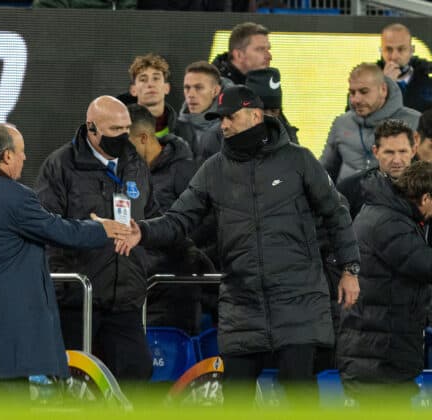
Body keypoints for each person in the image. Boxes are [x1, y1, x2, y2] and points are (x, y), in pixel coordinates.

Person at [116, 85, 360, 404]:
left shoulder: (298, 160)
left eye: (230, 117)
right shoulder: (214, 170)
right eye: (220, 119)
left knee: (300, 392)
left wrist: (350, 269)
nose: (224, 125)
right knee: (235, 399)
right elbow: (179, 219)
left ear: (255, 115)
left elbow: (336, 213)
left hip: (297, 299)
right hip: (242, 304)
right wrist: (142, 232)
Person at [0, 123, 130, 383]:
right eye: (21, 151)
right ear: (7, 155)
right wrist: (102, 229)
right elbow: (61, 232)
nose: (25, 157)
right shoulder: (17, 198)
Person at [35, 96, 159, 381]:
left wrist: (142, 245)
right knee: (75, 385)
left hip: (125, 297)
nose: (124, 136)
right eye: (115, 130)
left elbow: (152, 216)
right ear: (91, 128)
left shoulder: (135, 164)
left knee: (137, 373)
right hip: (76, 301)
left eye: (127, 128)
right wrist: (92, 231)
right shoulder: (60, 165)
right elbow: (45, 225)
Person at [336, 161, 432, 405]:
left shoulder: (387, 213)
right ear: (426, 198)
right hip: (377, 358)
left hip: (378, 351)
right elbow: (425, 266)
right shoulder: (390, 223)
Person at [127, 104, 210, 335]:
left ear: (143, 138)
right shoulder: (128, 173)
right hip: (139, 287)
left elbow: (201, 224)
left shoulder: (185, 171)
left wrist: (170, 248)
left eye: (126, 142)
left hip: (173, 287)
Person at [320, 63, 420, 184]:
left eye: (364, 92)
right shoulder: (341, 123)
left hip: (397, 199)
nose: (355, 99)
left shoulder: (415, 121)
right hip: (346, 199)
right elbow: (324, 171)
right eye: (352, 92)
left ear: (383, 90)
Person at [200, 67, 298, 162]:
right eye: (262, 111)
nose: (269, 117)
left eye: (273, 111)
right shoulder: (216, 139)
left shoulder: (287, 135)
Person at [336, 119, 416, 219]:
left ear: (413, 151)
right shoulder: (349, 189)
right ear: (375, 152)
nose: (396, 160)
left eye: (403, 151)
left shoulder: (427, 188)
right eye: (389, 152)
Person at [127, 53, 194, 144]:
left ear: (167, 88)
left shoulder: (186, 132)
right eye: (143, 79)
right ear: (133, 90)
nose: (150, 84)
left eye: (156, 78)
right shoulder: (122, 129)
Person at [378, 23, 432, 113]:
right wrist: (386, 86)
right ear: (381, 51)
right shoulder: (365, 83)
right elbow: (354, 121)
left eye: (401, 49)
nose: (394, 56)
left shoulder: (428, 84)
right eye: (388, 49)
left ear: (412, 50)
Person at [178, 61, 222, 159]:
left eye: (199, 88)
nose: (191, 94)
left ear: (215, 91)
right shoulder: (174, 129)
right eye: (187, 88)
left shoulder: (230, 130)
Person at [211, 22, 271, 87]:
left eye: (268, 49)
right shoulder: (212, 88)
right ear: (238, 55)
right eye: (260, 49)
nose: (269, 56)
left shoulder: (265, 83)